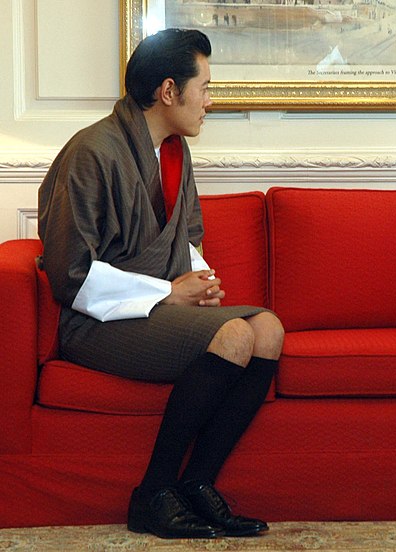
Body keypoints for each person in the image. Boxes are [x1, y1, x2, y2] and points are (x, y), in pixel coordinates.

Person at [37, 29, 284, 540]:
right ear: (169, 92)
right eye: (206, 88)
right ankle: (151, 494)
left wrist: (200, 281)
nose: (211, 102)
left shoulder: (172, 151)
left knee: (269, 329)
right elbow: (70, 274)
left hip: (153, 311)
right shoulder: (91, 152)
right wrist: (169, 293)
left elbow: (184, 237)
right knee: (235, 335)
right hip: (94, 321)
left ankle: (196, 484)